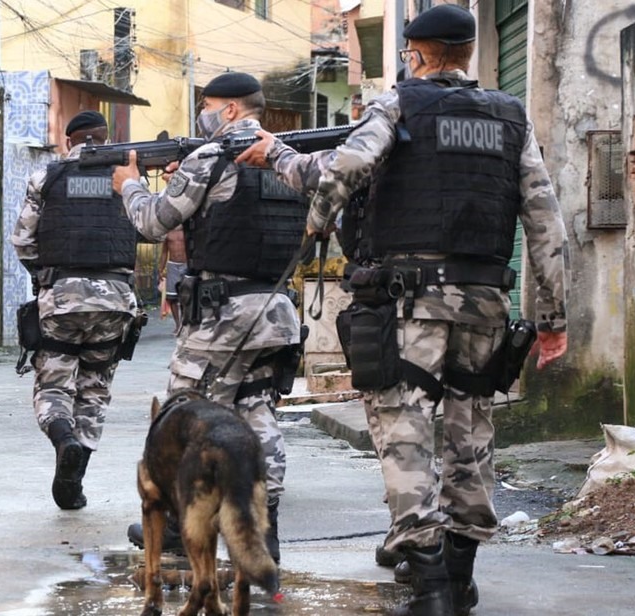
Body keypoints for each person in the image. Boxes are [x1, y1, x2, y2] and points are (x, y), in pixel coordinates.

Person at [235, 5, 569, 615]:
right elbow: (547, 226)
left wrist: (313, 216)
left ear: (417, 54)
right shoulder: (511, 116)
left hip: (409, 301)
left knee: (404, 433)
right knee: (471, 435)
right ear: (467, 53)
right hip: (486, 302)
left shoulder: (397, 105)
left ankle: (433, 586)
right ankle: (460, 577)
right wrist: (552, 321)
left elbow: (346, 168)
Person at [112, 72, 308, 564]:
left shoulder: (210, 156)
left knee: (184, 418)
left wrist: (130, 185)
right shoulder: (287, 157)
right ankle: (265, 529)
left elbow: (153, 221)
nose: (202, 111)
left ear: (230, 111)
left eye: (209, 104)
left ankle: (177, 530)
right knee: (257, 414)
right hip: (275, 310)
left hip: (222, 316)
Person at [12, 110, 140, 511]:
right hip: (117, 299)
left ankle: (64, 438)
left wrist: (48, 277)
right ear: (105, 138)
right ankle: (75, 478)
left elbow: (23, 241)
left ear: (70, 142)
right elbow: (149, 226)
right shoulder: (127, 179)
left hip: (62, 299)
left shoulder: (46, 178)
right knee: (95, 386)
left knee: (54, 385)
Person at [158, 227, 187, 332]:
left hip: (186, 265)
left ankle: (185, 323)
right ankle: (178, 324)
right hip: (172, 266)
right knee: (171, 297)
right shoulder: (168, 232)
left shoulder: (187, 230)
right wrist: (160, 269)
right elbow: (164, 252)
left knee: (186, 296)